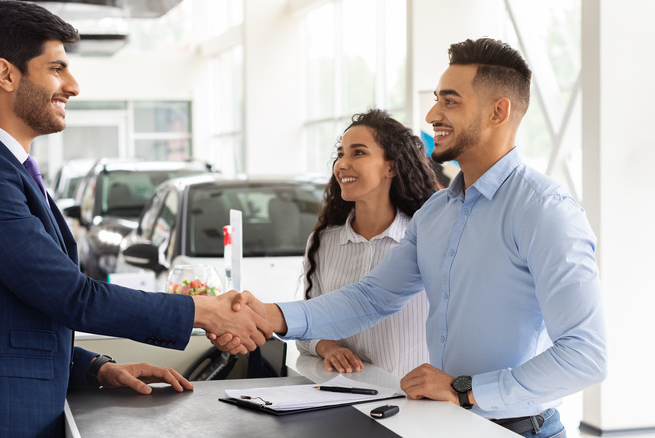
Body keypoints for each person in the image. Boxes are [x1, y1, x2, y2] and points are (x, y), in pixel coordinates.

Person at [0, 2, 270, 436]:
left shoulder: (1, 166)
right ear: (5, 74)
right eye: (57, 68)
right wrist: (203, 310)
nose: (73, 86)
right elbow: (69, 295)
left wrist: (96, 367)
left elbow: (7, 315)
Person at [215, 38, 607, 437]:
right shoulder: (436, 212)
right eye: (437, 99)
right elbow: (373, 297)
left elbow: (585, 355)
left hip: (518, 428)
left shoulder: (545, 210)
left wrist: (466, 390)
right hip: (446, 424)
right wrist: (271, 316)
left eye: (450, 102)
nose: (432, 114)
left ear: (498, 111)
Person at [295, 108, 438, 378]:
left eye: (358, 153)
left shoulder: (427, 238)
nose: (341, 164)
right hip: (345, 397)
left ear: (391, 166)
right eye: (340, 155)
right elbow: (307, 327)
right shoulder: (323, 242)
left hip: (415, 405)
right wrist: (328, 347)